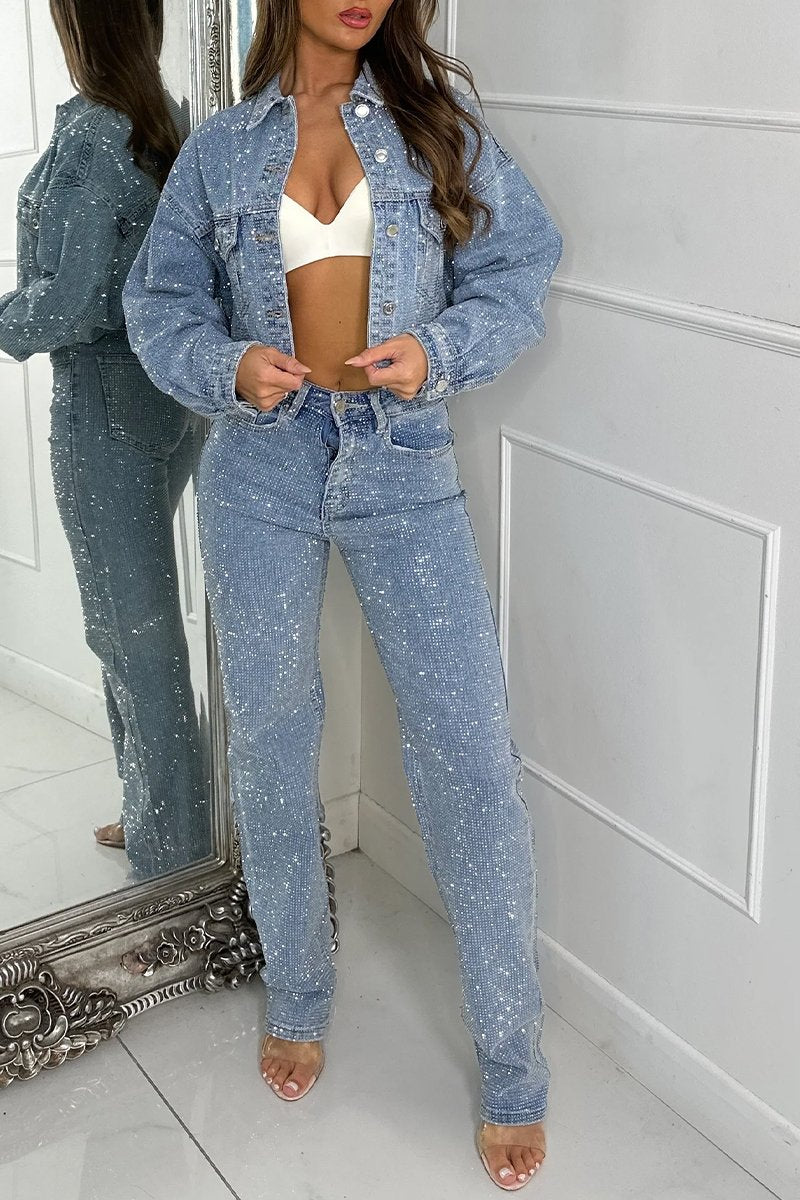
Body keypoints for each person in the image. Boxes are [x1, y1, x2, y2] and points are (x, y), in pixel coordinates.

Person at [122, 0, 563, 1187]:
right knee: (271, 740)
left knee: (467, 752)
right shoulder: (222, 149)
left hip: (400, 460)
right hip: (259, 466)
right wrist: (226, 365)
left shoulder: (432, 122)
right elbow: (159, 301)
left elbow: (519, 261)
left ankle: (511, 1063)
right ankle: (299, 994)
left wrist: (440, 352)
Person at [0, 0, 212, 880]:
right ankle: (157, 807)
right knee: (139, 628)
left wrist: (5, 319)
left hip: (102, 411)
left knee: (132, 636)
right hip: (171, 407)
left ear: (78, 28)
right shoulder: (171, 122)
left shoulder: (95, 135)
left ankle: (172, 855)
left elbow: (70, 303)